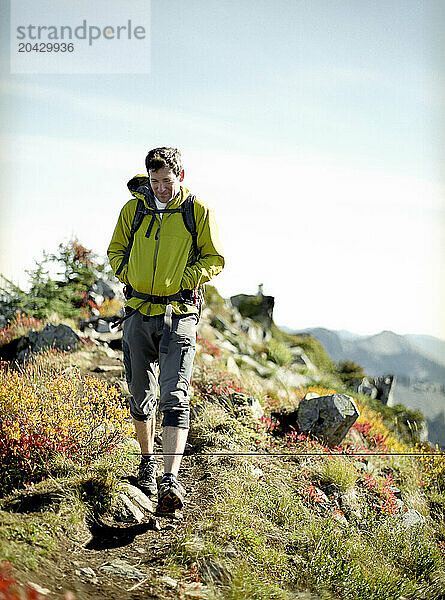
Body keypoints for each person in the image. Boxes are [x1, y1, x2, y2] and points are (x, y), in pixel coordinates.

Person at [107, 147, 225, 513]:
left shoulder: (197, 211)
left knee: (175, 396)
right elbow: (115, 252)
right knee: (140, 393)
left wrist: (187, 279)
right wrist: (132, 276)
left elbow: (215, 258)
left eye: (167, 181)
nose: (160, 188)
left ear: (181, 177)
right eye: (155, 181)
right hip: (138, 313)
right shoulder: (134, 209)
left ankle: (170, 479)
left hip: (180, 315)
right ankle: (146, 463)